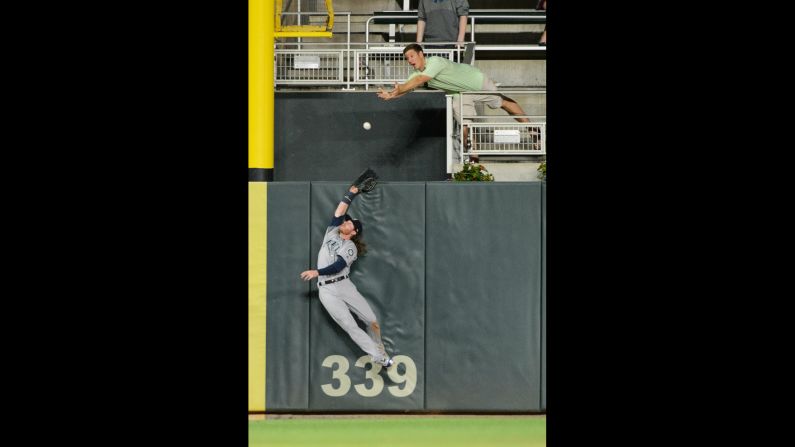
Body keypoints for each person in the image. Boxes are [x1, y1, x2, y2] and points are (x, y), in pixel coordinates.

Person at [377, 43, 530, 162]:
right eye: (407, 58)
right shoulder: (415, 73)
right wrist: (391, 95)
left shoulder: (435, 62)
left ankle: (533, 130)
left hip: (476, 81)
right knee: (465, 125)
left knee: (503, 103)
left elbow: (418, 81)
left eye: (412, 56)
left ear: (421, 54)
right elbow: (406, 89)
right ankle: (474, 159)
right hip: (460, 94)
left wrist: (401, 88)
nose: (410, 60)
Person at [300, 184, 394, 369]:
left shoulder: (350, 247)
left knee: (371, 320)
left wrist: (317, 271)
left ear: (353, 231)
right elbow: (339, 212)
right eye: (345, 221)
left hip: (344, 286)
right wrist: (350, 194)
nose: (345, 222)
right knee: (350, 327)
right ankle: (378, 357)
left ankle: (379, 348)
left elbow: (338, 266)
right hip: (327, 290)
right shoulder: (331, 233)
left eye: (349, 222)